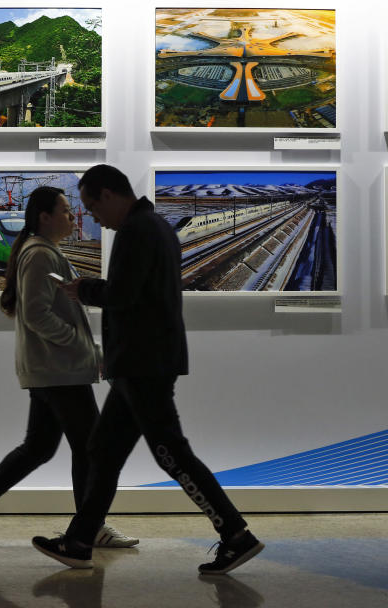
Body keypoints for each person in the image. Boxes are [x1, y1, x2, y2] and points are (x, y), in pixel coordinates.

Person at [32, 165, 263, 574]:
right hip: (138, 363)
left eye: (91, 207)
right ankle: (80, 540)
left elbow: (123, 294)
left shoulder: (138, 232)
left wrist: (82, 289)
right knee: (102, 453)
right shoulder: (153, 226)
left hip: (145, 363)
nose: (93, 217)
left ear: (108, 195)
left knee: (171, 453)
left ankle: (236, 535)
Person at [0, 185, 137, 550]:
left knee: (39, 447)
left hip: (53, 368)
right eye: (66, 210)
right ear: (44, 216)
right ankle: (91, 526)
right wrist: (83, 344)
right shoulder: (39, 255)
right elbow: (36, 313)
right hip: (59, 369)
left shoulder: (44, 251)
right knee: (91, 449)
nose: (72, 216)